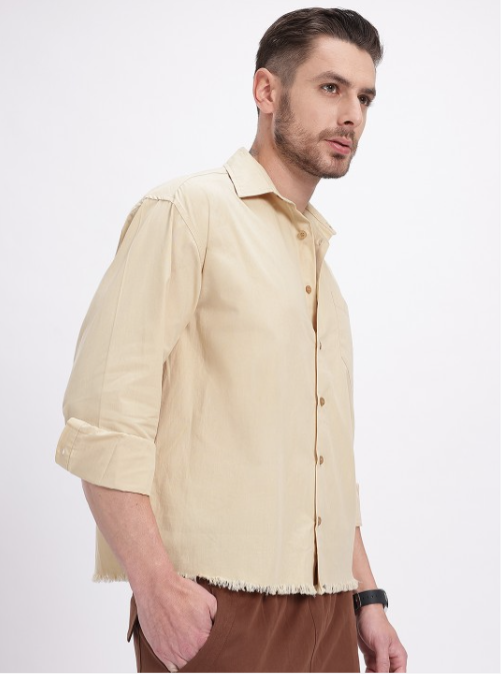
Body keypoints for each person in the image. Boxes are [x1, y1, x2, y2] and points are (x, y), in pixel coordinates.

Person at [55, 7, 408, 673]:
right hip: (221, 608)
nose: (351, 116)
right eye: (330, 88)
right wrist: (156, 587)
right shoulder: (186, 213)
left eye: (364, 98)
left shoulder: (320, 271)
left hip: (331, 612)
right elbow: (103, 422)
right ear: (266, 91)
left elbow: (325, 464)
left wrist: (366, 596)